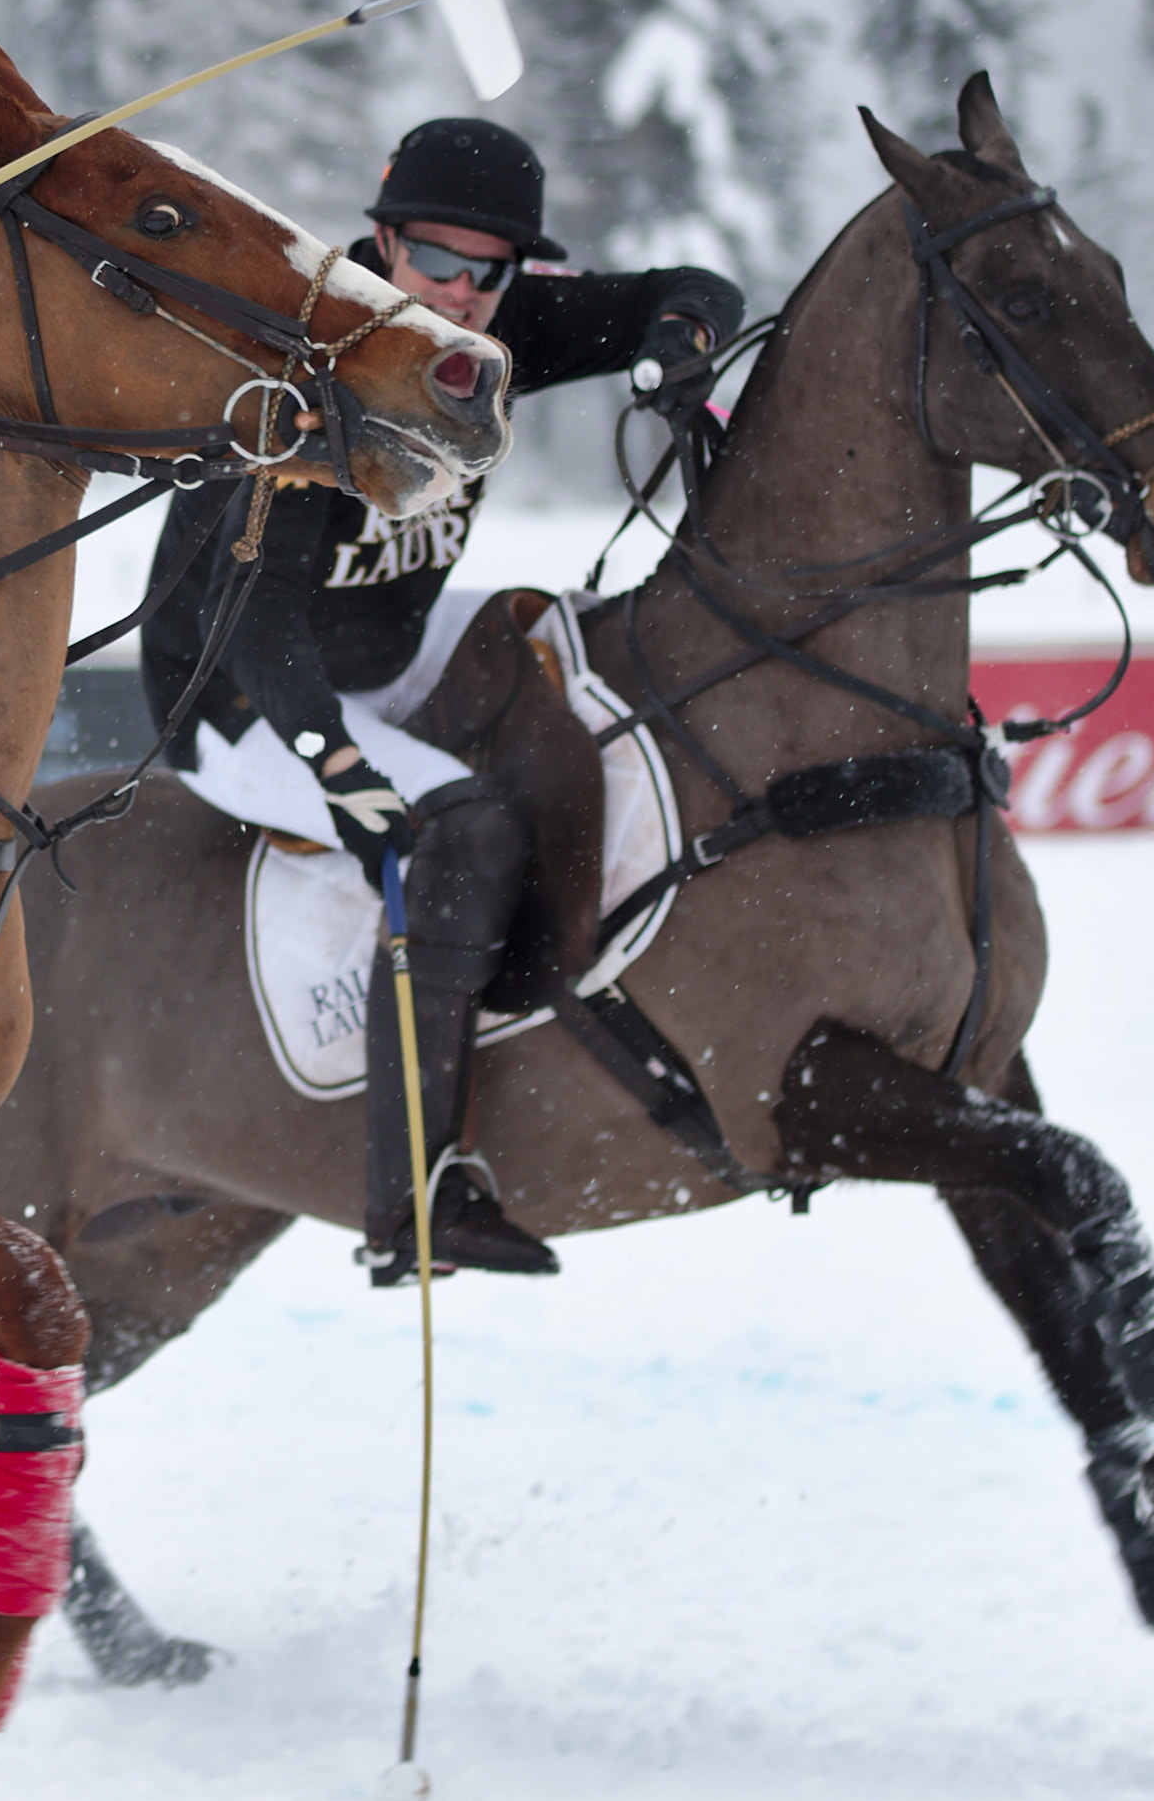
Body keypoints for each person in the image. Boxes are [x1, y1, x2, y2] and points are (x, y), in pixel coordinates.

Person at [138, 118, 745, 1284]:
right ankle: (414, 1189)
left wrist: (679, 343)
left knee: (561, 645)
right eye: (435, 263)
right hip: (232, 691)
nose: (461, 295)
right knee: (457, 826)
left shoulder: (493, 330)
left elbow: (688, 286)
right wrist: (338, 771)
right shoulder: (315, 371)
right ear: (381, 243)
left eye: (489, 271)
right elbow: (258, 622)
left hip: (384, 647)